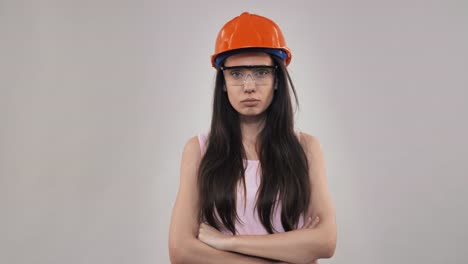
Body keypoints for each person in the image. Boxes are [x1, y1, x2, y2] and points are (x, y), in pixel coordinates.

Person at [169, 12, 337, 264]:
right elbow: (181, 251)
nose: (249, 86)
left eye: (260, 72)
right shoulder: (199, 150)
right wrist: (292, 249)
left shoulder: (306, 148)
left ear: (276, 79)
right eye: (236, 74)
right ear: (223, 82)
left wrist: (228, 242)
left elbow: (325, 242)